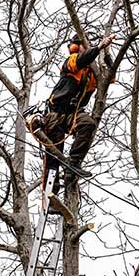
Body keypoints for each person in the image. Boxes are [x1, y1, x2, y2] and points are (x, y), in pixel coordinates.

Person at [42, 33, 115, 201]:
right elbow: (82, 59)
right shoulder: (72, 61)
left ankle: (73, 164)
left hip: (72, 115)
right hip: (55, 114)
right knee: (53, 157)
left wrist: (107, 54)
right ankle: (50, 197)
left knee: (88, 123)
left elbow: (110, 77)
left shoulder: (91, 75)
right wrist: (98, 48)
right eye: (85, 45)